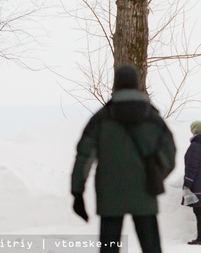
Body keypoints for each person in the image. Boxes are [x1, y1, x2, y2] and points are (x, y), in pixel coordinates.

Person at [71, 65, 176, 253]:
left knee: (109, 248)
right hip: (145, 192)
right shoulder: (152, 118)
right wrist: (156, 173)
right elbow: (170, 153)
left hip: (110, 193)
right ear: (137, 85)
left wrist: (77, 192)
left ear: (115, 85)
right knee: (151, 248)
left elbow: (84, 156)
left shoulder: (101, 119)